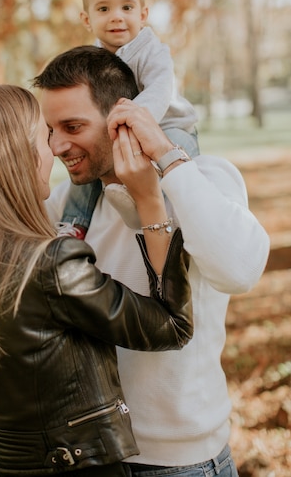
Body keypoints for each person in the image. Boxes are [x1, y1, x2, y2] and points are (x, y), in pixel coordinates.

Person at [0, 83, 194, 477]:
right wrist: (149, 201)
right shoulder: (50, 266)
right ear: (18, 156)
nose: (55, 149)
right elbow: (172, 327)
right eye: (45, 136)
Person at [32, 46, 271, 477]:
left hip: (179, 462)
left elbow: (241, 270)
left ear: (123, 117)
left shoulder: (206, 177)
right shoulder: (73, 207)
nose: (57, 145)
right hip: (95, 456)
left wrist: (165, 157)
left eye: (72, 126)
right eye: (49, 129)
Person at [60, 0, 199, 238]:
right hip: (118, 129)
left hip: (168, 126)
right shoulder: (92, 61)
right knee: (88, 161)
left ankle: (157, 206)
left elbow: (159, 91)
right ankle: (73, 223)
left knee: (176, 154)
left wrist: (136, 119)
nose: (116, 17)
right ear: (87, 19)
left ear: (143, 13)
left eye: (127, 7)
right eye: (103, 9)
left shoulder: (152, 51)